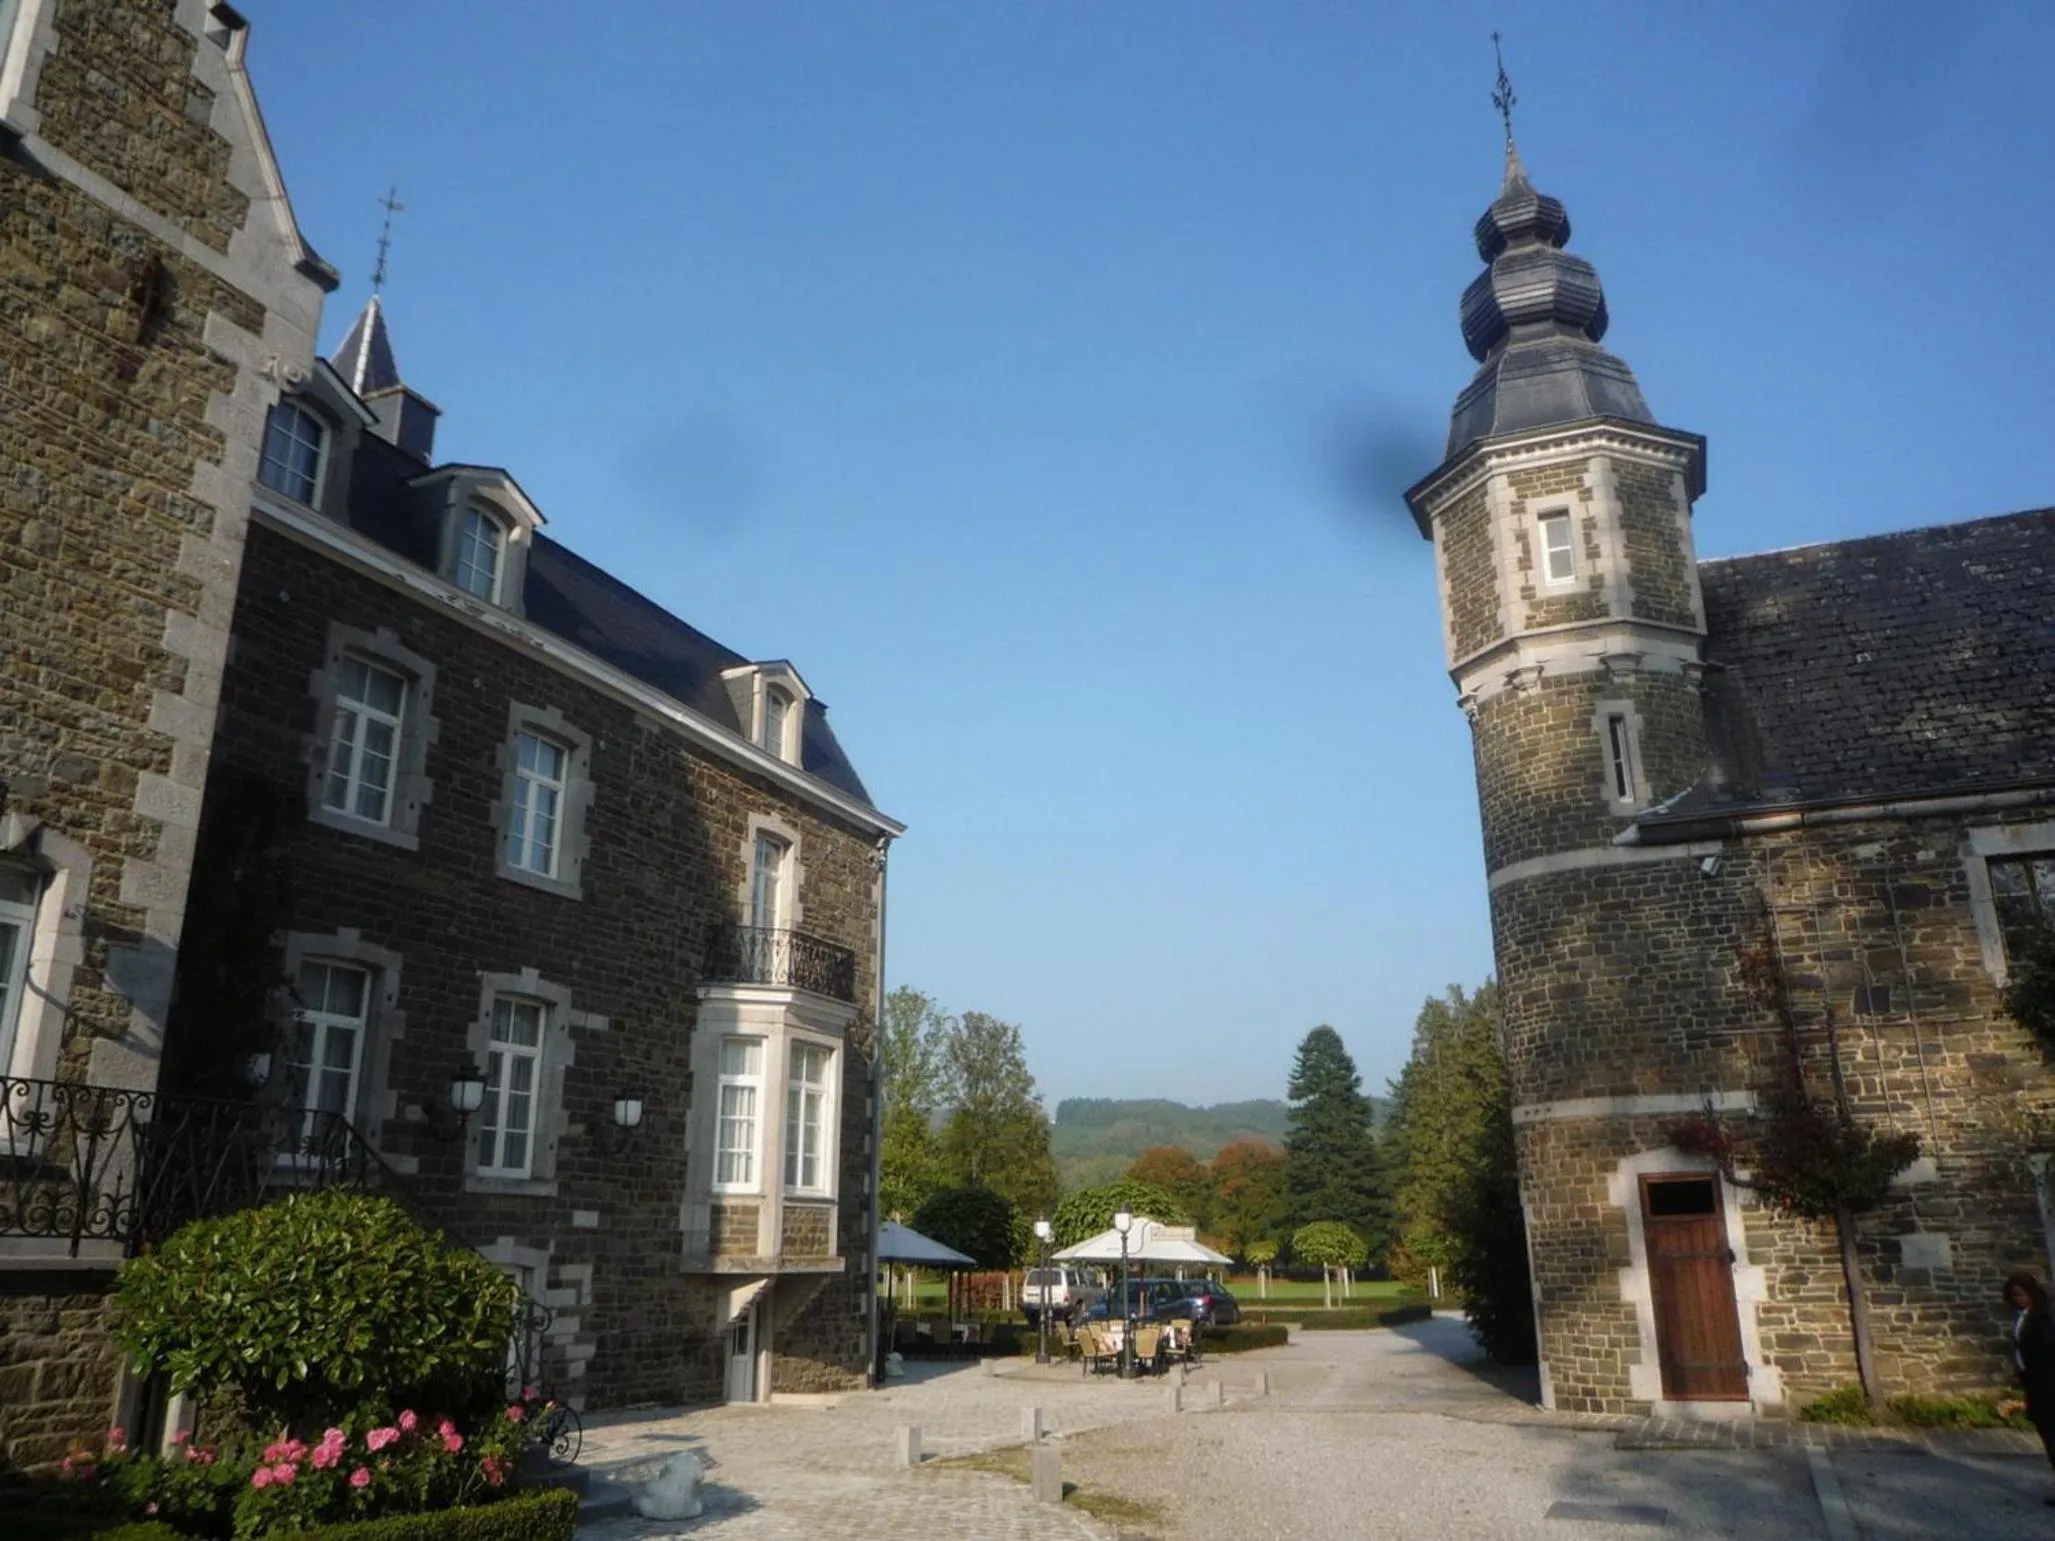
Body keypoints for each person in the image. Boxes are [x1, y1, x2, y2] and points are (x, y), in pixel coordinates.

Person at [2005, 1271, 2055, 1503]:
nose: (2019, 1299)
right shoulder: (2022, 1317)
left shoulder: (2042, 1320)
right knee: (2047, 1435)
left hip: (2048, 1383)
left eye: (2023, 1294)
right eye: (2015, 1295)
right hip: (2034, 1383)